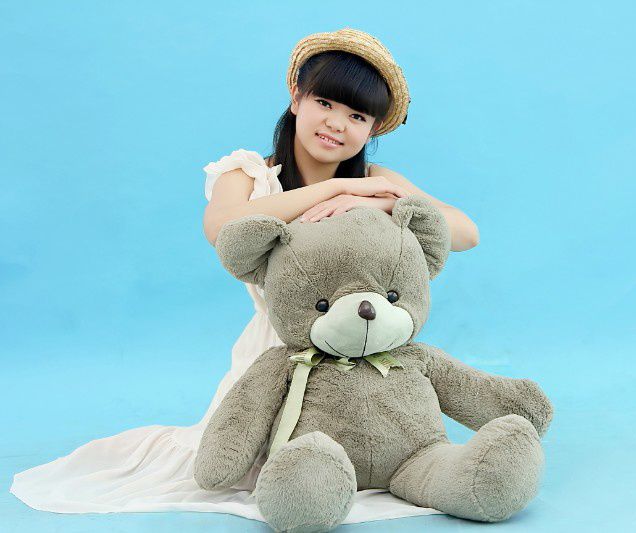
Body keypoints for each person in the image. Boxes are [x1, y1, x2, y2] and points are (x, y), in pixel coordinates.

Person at [9, 28, 479, 526]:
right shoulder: (249, 175)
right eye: (324, 103)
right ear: (296, 97)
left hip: (363, 352)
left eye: (357, 116)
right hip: (274, 356)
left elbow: (466, 232)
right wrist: (335, 191)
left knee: (379, 451)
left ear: (373, 128)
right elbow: (223, 228)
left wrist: (378, 200)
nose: (336, 124)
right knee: (263, 463)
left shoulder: (377, 183)